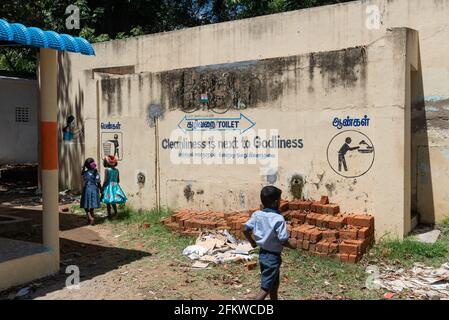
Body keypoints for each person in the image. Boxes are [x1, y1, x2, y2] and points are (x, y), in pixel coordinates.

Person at [243, 186, 294, 300]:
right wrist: (293, 246)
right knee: (265, 288)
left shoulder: (257, 215)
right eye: (280, 200)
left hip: (263, 254)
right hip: (273, 258)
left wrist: (252, 242)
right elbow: (283, 240)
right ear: (276, 202)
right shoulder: (278, 219)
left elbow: (245, 229)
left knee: (273, 284)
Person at [80, 158, 101, 225]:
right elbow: (98, 182)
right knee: (92, 204)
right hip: (94, 188)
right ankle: (90, 218)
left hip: (87, 189)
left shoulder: (85, 173)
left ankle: (90, 217)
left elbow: (82, 173)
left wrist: (83, 167)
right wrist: (101, 190)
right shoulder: (96, 172)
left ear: (86, 166)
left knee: (85, 204)